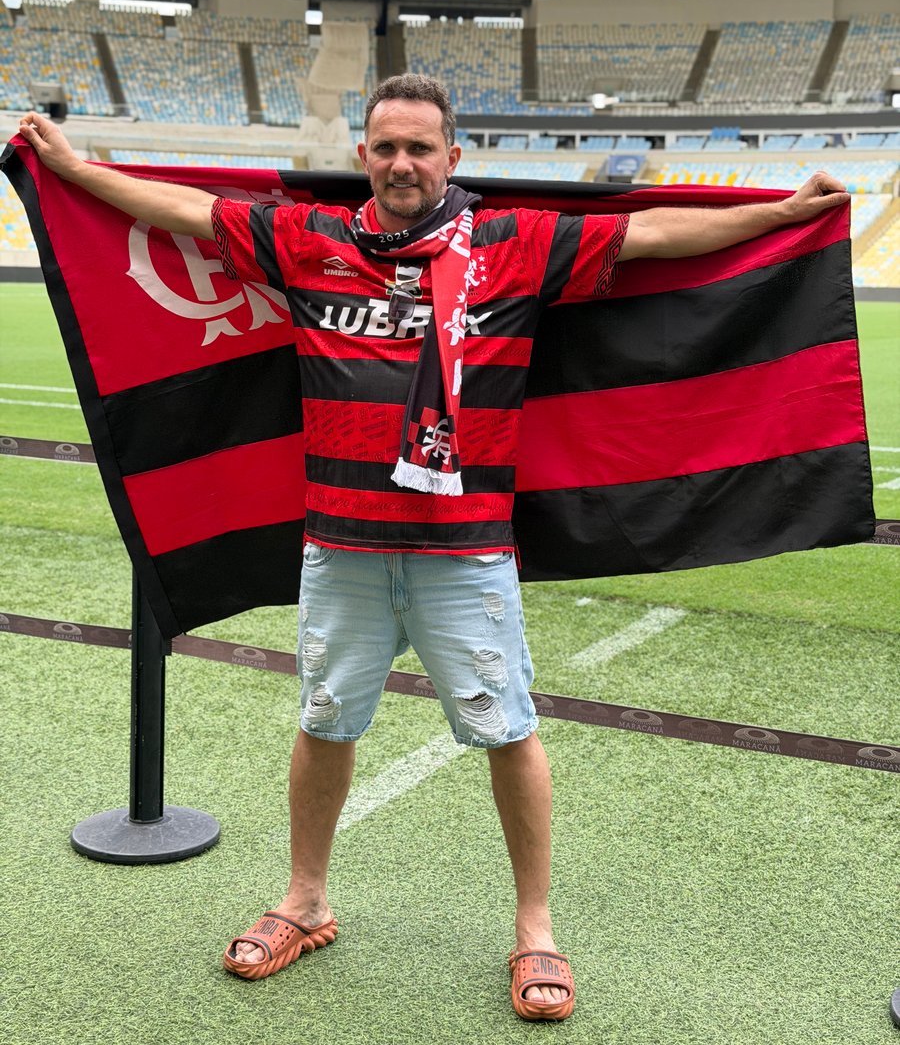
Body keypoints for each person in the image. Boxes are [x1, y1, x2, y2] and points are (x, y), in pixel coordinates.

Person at [18, 75, 850, 1022]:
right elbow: (187, 211)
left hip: (466, 553)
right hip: (341, 547)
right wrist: (78, 170)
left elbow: (653, 235)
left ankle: (535, 930)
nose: (403, 163)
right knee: (325, 719)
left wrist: (784, 210)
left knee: (507, 731)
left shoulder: (511, 243)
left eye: (421, 148)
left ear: (453, 158)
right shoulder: (310, 241)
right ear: (362, 157)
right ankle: (305, 900)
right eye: (385, 147)